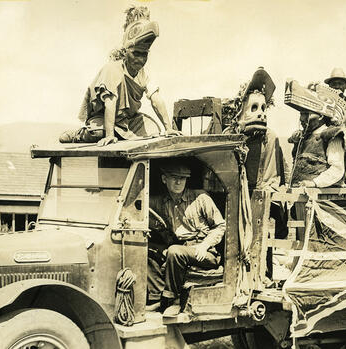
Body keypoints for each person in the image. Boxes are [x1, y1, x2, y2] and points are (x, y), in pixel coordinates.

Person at [59, 6, 173, 146]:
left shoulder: (143, 74)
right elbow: (110, 102)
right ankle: (78, 134)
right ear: (126, 52)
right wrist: (109, 135)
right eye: (136, 54)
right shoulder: (112, 69)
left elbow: (156, 99)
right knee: (99, 134)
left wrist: (169, 128)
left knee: (153, 130)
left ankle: (120, 133)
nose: (140, 60)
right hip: (102, 118)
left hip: (127, 121)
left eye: (144, 55)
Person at [148, 162, 226, 315]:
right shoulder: (160, 201)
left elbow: (220, 226)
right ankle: (158, 299)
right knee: (147, 250)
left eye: (182, 179)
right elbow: (140, 203)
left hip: (205, 252)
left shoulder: (200, 197)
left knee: (175, 251)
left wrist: (204, 246)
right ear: (164, 179)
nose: (178, 182)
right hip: (180, 248)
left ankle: (174, 301)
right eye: (174, 178)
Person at [223, 67, 285, 192]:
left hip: (260, 193)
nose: (261, 114)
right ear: (240, 112)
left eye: (263, 108)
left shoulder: (269, 137)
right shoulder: (229, 135)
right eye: (254, 108)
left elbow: (273, 177)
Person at [286, 81, 346, 188]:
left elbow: (337, 169)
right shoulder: (303, 136)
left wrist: (315, 183)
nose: (302, 119)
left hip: (322, 199)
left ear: (321, 116)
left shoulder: (332, 135)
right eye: (301, 114)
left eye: (306, 114)